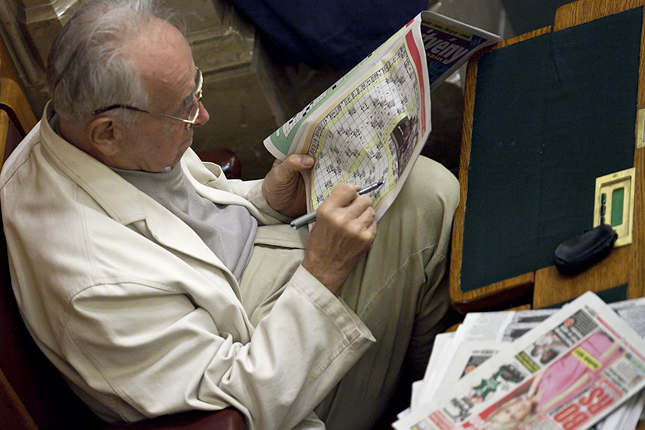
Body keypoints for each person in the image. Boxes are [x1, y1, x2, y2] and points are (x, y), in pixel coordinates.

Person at [0, 0, 460, 429]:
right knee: (429, 197)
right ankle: (435, 405)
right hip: (256, 359)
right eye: (185, 108)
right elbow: (243, 399)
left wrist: (265, 199)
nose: (202, 116)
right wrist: (324, 271)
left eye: (195, 89)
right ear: (107, 133)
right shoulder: (96, 283)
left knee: (419, 192)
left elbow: (186, 207)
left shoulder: (87, 129)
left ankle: (427, 381)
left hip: (244, 274)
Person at [485, 331, 624, 430]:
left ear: (508, 404)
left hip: (591, 338)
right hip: (604, 349)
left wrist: (531, 391)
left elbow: (544, 367)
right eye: (514, 417)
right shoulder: (545, 406)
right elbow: (583, 380)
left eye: (508, 411)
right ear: (521, 420)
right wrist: (615, 346)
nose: (516, 410)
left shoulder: (536, 388)